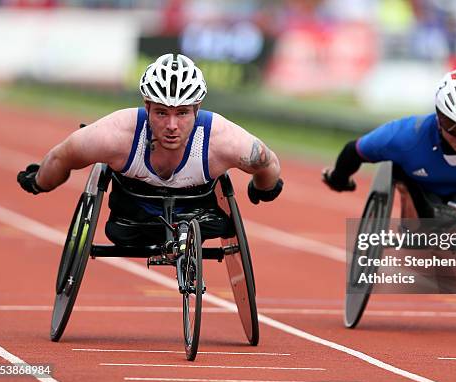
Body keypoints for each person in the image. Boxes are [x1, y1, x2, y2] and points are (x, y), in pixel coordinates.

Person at [17, 53, 283, 245]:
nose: (171, 125)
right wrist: (40, 182)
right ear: (146, 107)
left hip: (200, 216)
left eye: (182, 113)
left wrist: (264, 188)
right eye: (161, 112)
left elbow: (267, 163)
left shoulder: (224, 139)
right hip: (131, 220)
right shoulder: (115, 135)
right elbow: (64, 156)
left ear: (197, 110)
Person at [322, 68, 456, 217]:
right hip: (419, 188)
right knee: (414, 212)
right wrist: (339, 179)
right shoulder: (405, 135)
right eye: (454, 127)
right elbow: (355, 150)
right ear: (439, 117)